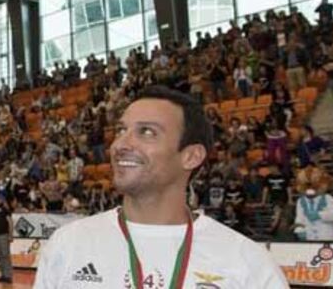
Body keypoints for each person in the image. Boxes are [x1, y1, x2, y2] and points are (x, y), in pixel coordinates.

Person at [34, 86, 287, 288]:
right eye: (121, 130)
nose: (120, 144)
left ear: (191, 156)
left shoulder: (248, 264)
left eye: (146, 132)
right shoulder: (68, 245)